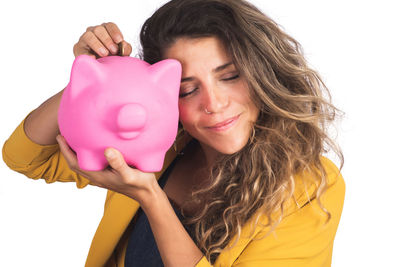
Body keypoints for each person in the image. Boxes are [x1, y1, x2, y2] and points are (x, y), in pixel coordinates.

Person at [2, 0, 345, 266]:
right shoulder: (158, 150)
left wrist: (151, 199)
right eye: (186, 89)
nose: (214, 104)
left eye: (229, 76)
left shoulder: (310, 188)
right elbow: (26, 158)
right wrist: (94, 79)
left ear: (263, 73)